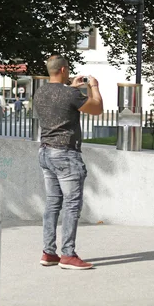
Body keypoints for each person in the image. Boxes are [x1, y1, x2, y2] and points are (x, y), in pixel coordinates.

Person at [33, 54, 103, 270]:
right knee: (72, 205)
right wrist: (94, 87)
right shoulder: (71, 94)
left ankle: (48, 252)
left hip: (45, 152)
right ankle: (68, 255)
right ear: (63, 70)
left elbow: (59, 103)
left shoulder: (40, 91)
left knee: (53, 203)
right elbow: (97, 108)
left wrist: (72, 88)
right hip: (65, 154)